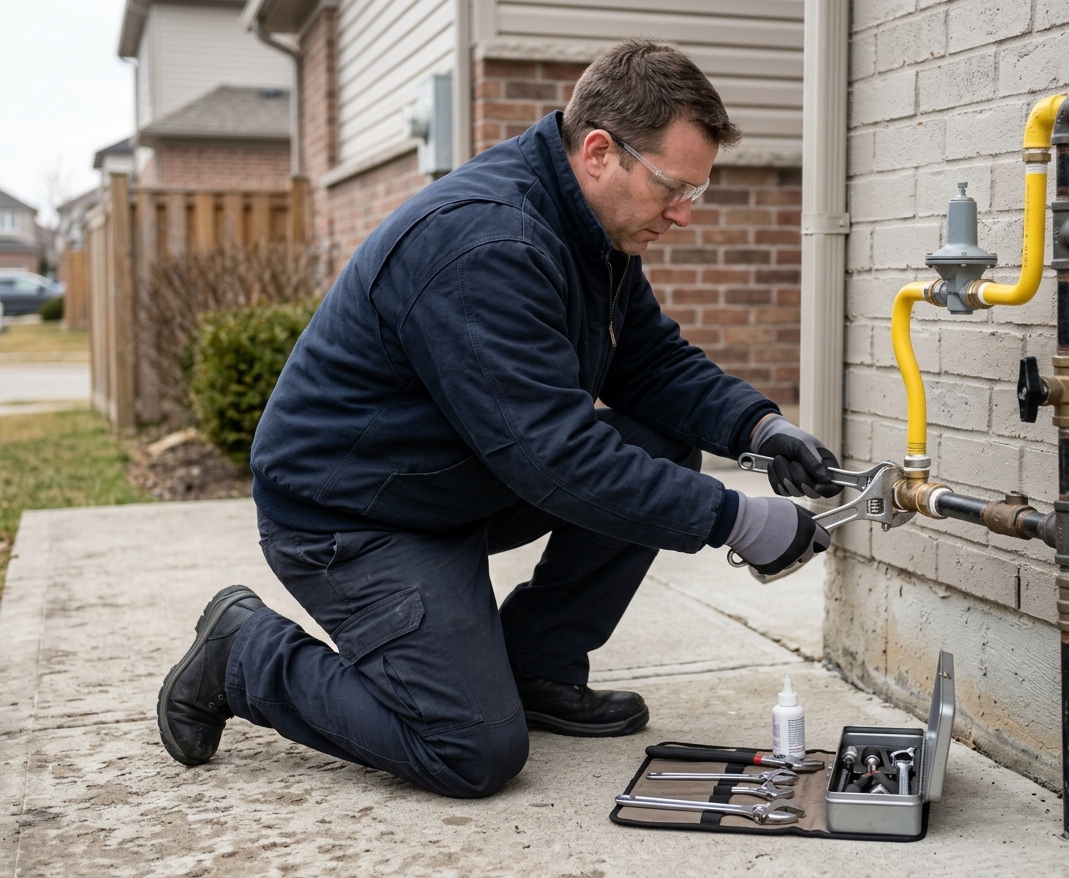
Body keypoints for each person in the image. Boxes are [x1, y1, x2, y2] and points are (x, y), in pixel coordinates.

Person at [156, 39, 840, 799]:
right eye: (673, 187)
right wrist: (736, 520)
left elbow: (648, 365)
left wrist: (759, 429)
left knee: (659, 440)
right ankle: (243, 653)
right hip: (353, 517)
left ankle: (536, 670)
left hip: (453, 480)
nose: (683, 213)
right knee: (468, 748)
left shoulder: (594, 232)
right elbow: (554, 456)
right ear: (598, 151)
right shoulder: (488, 243)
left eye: (696, 192)